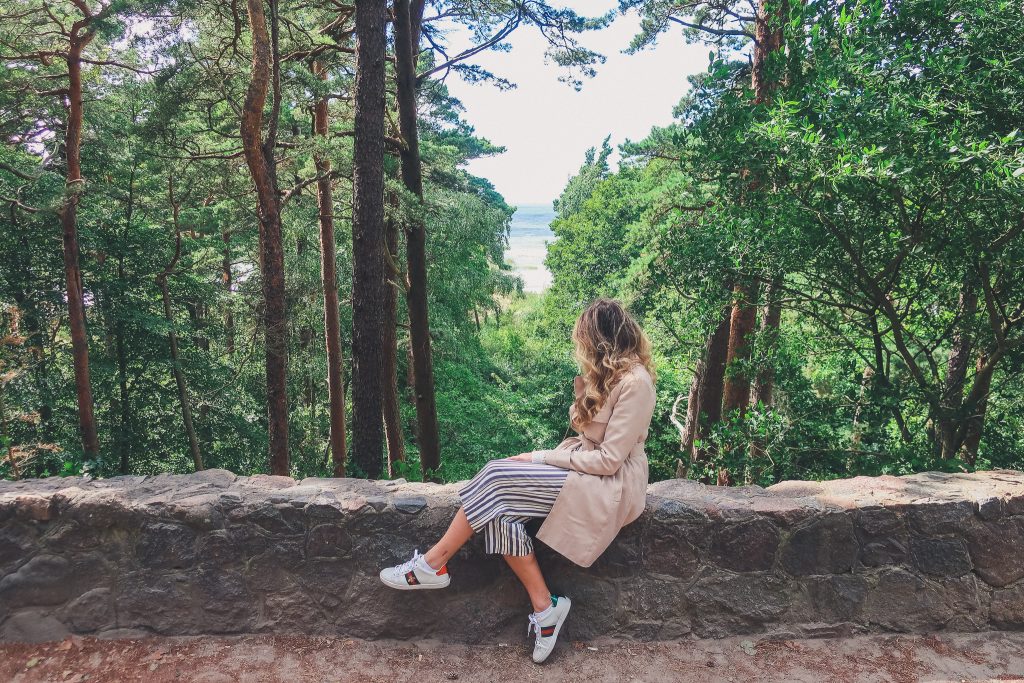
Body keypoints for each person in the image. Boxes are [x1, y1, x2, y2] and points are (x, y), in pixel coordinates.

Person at [379, 298, 657, 663]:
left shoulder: (636, 383)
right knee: (499, 512)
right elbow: (585, 431)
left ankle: (432, 564)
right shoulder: (607, 376)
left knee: (496, 475)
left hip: (609, 484)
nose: (581, 348)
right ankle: (546, 610)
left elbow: (608, 460)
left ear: (602, 340)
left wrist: (538, 456)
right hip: (586, 470)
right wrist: (587, 386)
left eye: (585, 340)